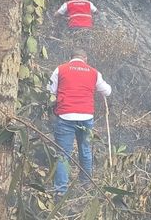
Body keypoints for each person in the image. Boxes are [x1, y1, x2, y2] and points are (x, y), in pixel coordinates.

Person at [48, 49, 112, 196]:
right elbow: (107, 91)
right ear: (85, 59)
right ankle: (85, 184)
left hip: (65, 117)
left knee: (63, 154)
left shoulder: (60, 69)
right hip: (86, 117)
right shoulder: (94, 72)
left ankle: (60, 192)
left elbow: (50, 90)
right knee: (85, 150)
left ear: (70, 58)